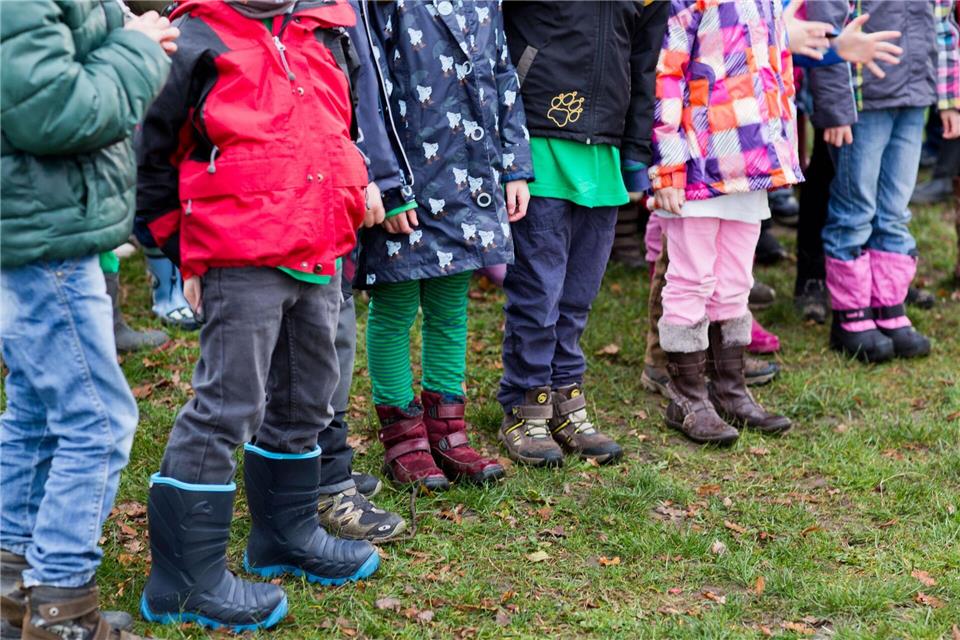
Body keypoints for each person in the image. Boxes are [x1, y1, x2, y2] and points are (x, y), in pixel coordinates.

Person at [136, 0, 380, 631]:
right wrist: (180, 252)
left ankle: (285, 536)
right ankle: (183, 581)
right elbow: (154, 156)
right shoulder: (195, 39)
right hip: (237, 253)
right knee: (228, 403)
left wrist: (351, 195)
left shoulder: (323, 34)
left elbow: (335, 130)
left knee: (308, 397)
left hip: (317, 248)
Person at [0, 4, 176, 638]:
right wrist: (135, 46)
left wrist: (106, 27)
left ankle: (10, 587)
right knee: (98, 421)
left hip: (39, 230)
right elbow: (52, 110)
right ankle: (60, 606)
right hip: (46, 238)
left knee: (35, 410)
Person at [357, 0, 531, 489]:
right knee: (394, 306)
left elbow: (503, 76)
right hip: (405, 180)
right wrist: (387, 188)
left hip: (468, 178)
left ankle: (446, 430)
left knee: (451, 307)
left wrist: (514, 166)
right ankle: (402, 438)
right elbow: (366, 93)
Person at [493, 1, 667, 467]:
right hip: (540, 135)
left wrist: (635, 150)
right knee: (538, 288)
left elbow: (645, 58)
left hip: (603, 149)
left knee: (578, 292)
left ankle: (566, 395)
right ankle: (524, 400)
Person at [651, 0, 799, 446]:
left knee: (735, 279)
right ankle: (687, 396)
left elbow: (781, 72)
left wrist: (780, 150)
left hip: (751, 164)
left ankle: (730, 389)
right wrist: (669, 166)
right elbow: (666, 74)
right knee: (692, 278)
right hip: (697, 164)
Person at [809, 0, 960, 362]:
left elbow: (944, 27)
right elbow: (826, 29)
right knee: (856, 207)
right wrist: (835, 108)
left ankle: (887, 304)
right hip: (863, 103)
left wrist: (949, 99)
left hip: (915, 99)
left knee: (894, 209)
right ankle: (851, 313)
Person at [313, 0, 413, 544]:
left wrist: (371, 173)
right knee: (308, 353)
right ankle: (318, 484)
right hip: (294, 201)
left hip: (337, 191)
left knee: (336, 334)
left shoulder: (339, 15)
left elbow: (359, 99)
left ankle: (325, 467)